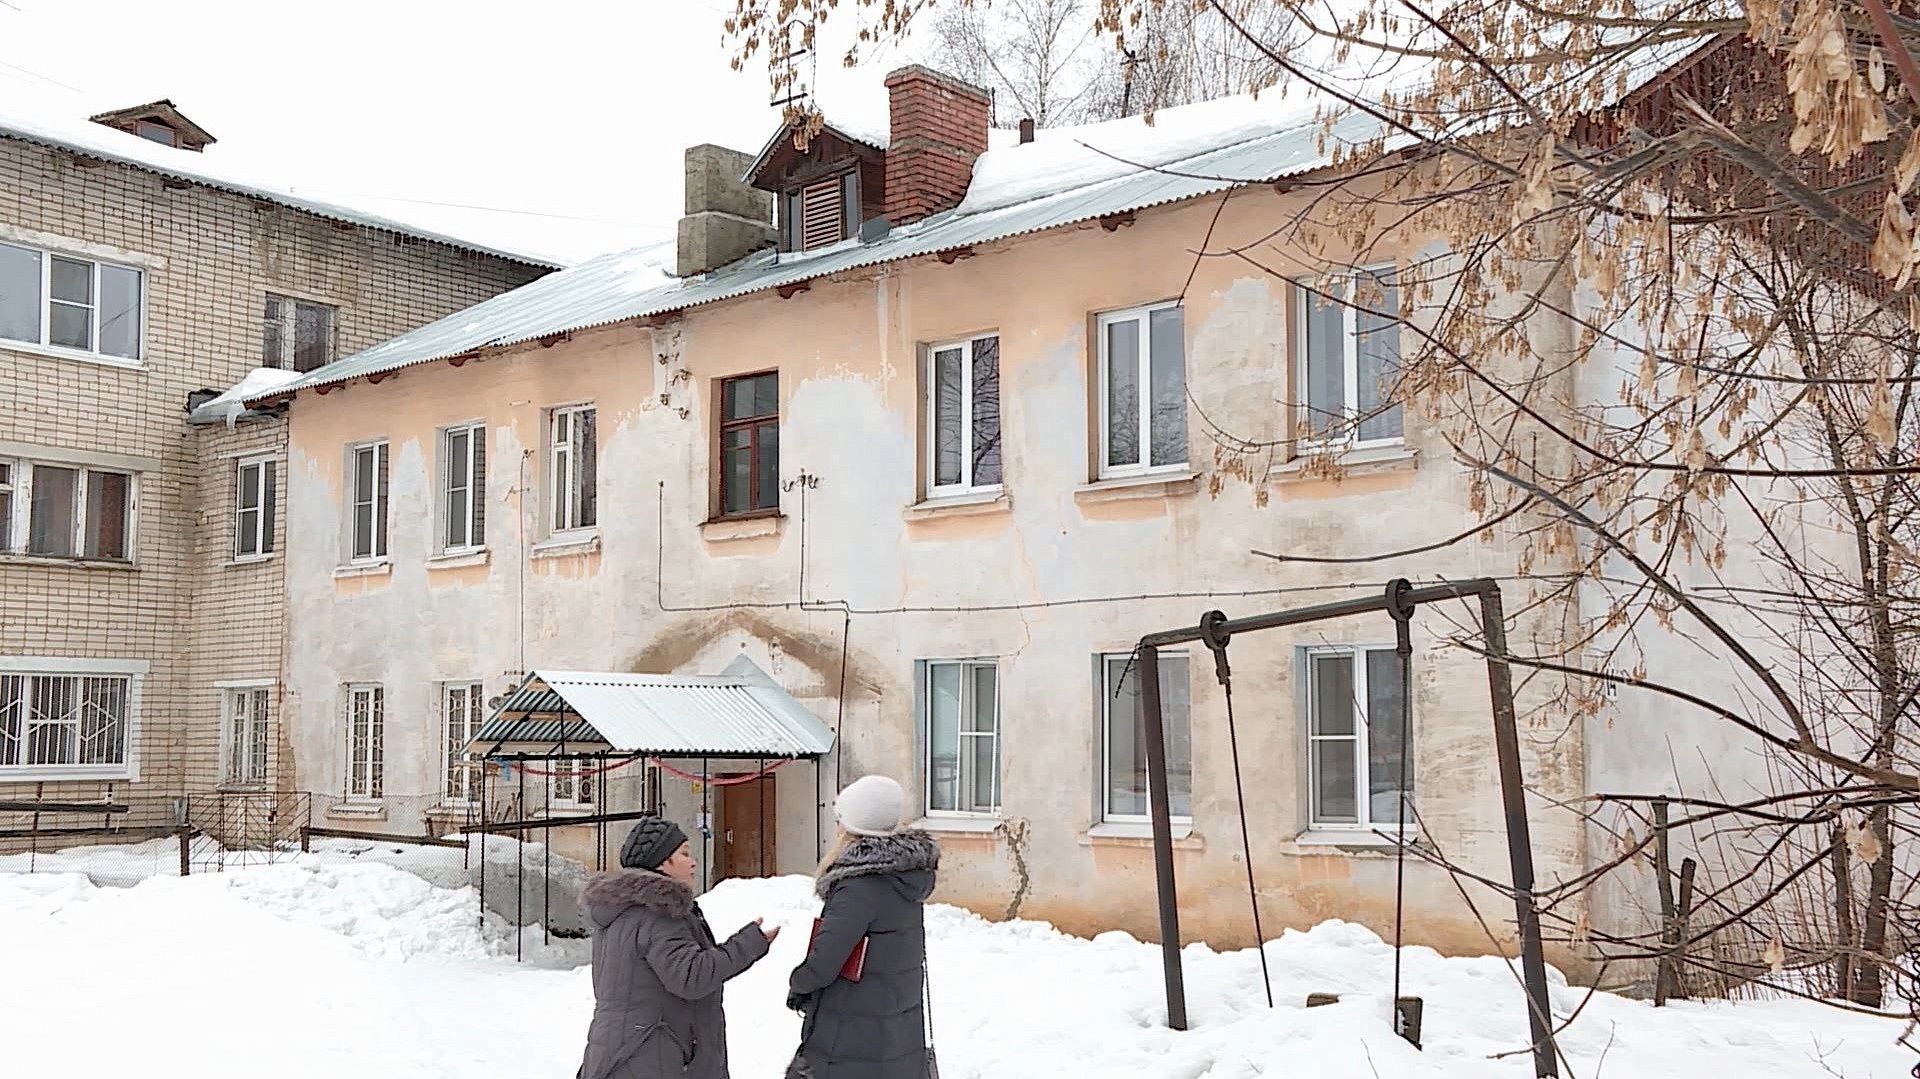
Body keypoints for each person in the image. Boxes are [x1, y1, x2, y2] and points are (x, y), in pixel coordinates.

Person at [577, 816, 778, 1079]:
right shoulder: (657, 911)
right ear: (662, 861)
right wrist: (749, 944)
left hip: (622, 1053)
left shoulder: (622, 910)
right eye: (684, 854)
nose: (693, 862)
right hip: (653, 1057)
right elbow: (691, 977)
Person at [786, 775, 940, 1079]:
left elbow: (826, 959)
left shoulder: (857, 886)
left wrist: (799, 983)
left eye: (840, 819)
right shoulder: (905, 877)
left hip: (851, 1030)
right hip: (896, 1024)